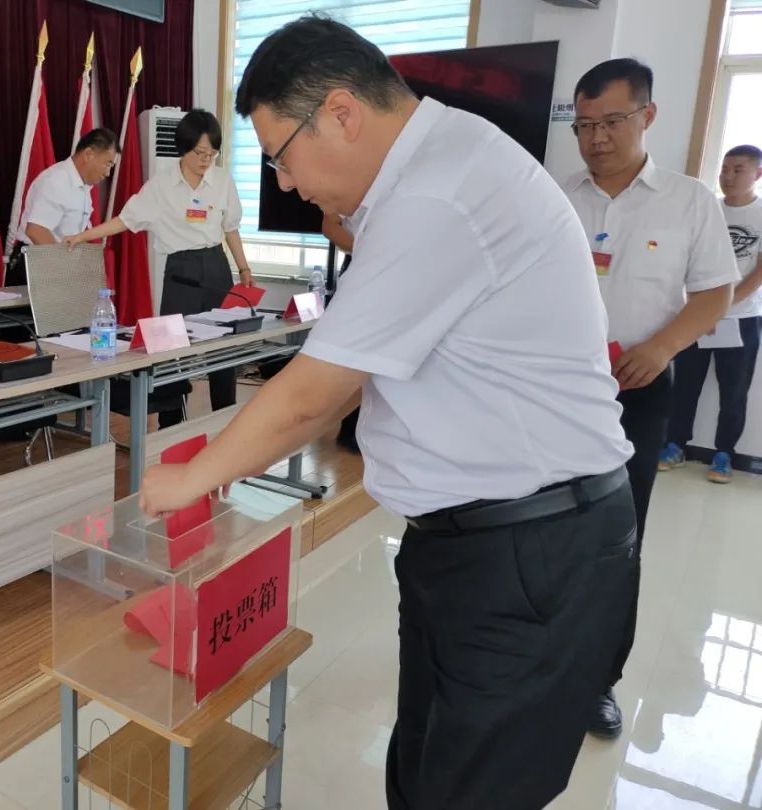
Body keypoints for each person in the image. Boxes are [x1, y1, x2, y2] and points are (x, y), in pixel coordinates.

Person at [139, 16, 637, 810]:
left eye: (282, 157)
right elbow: (361, 369)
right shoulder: (435, 171)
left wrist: (192, 476)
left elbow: (314, 394)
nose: (287, 184)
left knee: (469, 791)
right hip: (475, 542)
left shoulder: (440, 193)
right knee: (427, 773)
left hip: (528, 550)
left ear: (340, 112)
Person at [563, 58, 737, 739]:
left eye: (612, 121)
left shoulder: (688, 200)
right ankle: (542, 663)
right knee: (542, 526)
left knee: (618, 535)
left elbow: (715, 292)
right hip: (558, 390)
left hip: (636, 389)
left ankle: (598, 680)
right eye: (584, 125)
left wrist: (662, 348)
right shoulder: (558, 195)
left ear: (648, 115)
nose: (597, 137)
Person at [65, 109, 254, 427]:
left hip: (216, 268)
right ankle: (170, 425)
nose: (206, 160)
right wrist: (84, 236)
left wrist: (244, 268)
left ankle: (225, 421)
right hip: (180, 271)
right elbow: (125, 220)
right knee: (171, 351)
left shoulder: (222, 180)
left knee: (224, 349)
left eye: (211, 153)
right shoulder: (162, 185)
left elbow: (231, 227)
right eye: (199, 153)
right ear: (184, 147)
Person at [660, 144, 762, 483]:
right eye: (725, 169)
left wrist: (721, 305)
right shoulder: (709, 210)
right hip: (696, 316)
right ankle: (675, 446)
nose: (728, 176)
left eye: (738, 170)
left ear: (757, 173)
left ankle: (723, 455)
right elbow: (687, 261)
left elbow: (759, 273)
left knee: (735, 390)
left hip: (742, 318)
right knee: (685, 384)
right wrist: (700, 306)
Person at [5, 128, 118, 285]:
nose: (107, 173)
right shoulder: (57, 180)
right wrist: (64, 266)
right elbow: (36, 230)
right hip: (35, 265)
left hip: (55, 265)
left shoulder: (83, 187)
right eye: (108, 164)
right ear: (88, 154)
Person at [321, 211, 360, 454]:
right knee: (352, 352)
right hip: (360, 264)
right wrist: (371, 249)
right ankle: (350, 432)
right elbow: (329, 225)